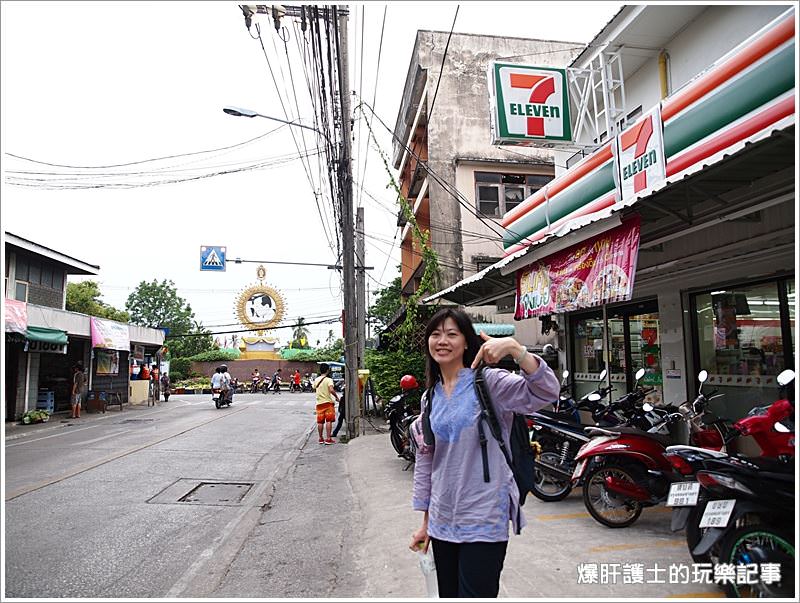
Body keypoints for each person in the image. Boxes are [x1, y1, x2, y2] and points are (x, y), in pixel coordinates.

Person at [408, 308, 559, 598]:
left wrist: (517, 350)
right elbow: (427, 462)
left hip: (484, 517)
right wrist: (426, 523)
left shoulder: (490, 382)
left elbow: (547, 392)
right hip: (442, 521)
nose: (443, 340)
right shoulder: (430, 397)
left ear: (467, 342)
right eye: (436, 334)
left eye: (452, 334)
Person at [313, 363, 339, 445]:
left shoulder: (316, 380)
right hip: (328, 403)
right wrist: (336, 397)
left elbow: (314, 388)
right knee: (329, 421)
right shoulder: (329, 380)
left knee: (320, 422)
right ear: (328, 370)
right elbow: (331, 389)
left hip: (319, 403)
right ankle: (328, 439)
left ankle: (320, 438)